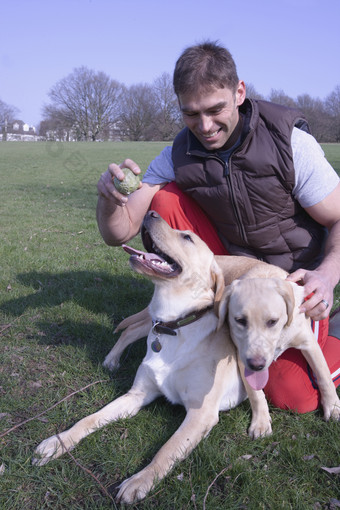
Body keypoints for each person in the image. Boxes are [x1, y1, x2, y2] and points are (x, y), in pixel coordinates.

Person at [97, 41, 340, 413]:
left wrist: (326, 275)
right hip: (234, 273)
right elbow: (121, 230)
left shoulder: (289, 143)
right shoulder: (179, 152)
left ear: (239, 92)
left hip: (293, 279)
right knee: (165, 202)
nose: (205, 127)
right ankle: (186, 312)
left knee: (295, 396)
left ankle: (335, 327)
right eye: (191, 114)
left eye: (215, 109)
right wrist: (110, 200)